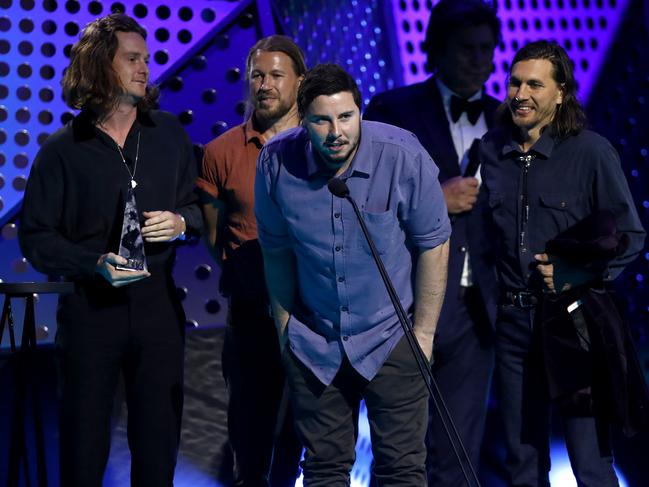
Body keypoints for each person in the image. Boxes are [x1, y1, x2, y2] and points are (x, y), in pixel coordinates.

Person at [18, 13, 202, 486]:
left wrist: (183, 222)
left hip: (158, 309)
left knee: (158, 449)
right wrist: (92, 262)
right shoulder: (62, 151)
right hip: (90, 315)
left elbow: (201, 208)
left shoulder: (170, 136)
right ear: (101, 66)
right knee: (84, 449)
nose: (145, 68)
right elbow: (37, 237)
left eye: (148, 59)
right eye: (132, 59)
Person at [254, 63, 451, 486]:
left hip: (392, 336)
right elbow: (275, 250)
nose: (336, 131)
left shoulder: (402, 154)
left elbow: (434, 242)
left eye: (346, 117)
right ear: (302, 119)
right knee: (324, 470)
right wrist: (286, 330)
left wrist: (425, 334)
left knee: (401, 470)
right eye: (322, 120)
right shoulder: (275, 162)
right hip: (316, 341)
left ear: (360, 111)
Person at [479, 40, 646, 486]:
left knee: (589, 464)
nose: (520, 93)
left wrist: (578, 273)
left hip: (573, 324)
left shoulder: (591, 152)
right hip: (513, 325)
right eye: (515, 82)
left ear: (561, 93)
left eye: (535, 84)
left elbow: (631, 236)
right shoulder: (490, 150)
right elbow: (479, 240)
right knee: (522, 464)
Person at [364, 1, 501, 483]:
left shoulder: (507, 119)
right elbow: (361, 195)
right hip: (405, 299)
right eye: (467, 49)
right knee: (401, 446)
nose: (479, 60)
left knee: (460, 450)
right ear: (437, 49)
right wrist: (433, 198)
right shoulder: (392, 109)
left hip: (476, 304)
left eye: (487, 49)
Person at [197, 35, 305, 486]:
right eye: (258, 75)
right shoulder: (221, 151)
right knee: (251, 441)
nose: (265, 84)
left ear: (300, 81)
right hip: (251, 315)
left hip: (314, 315)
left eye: (277, 75)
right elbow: (213, 236)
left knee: (308, 438)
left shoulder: (325, 144)